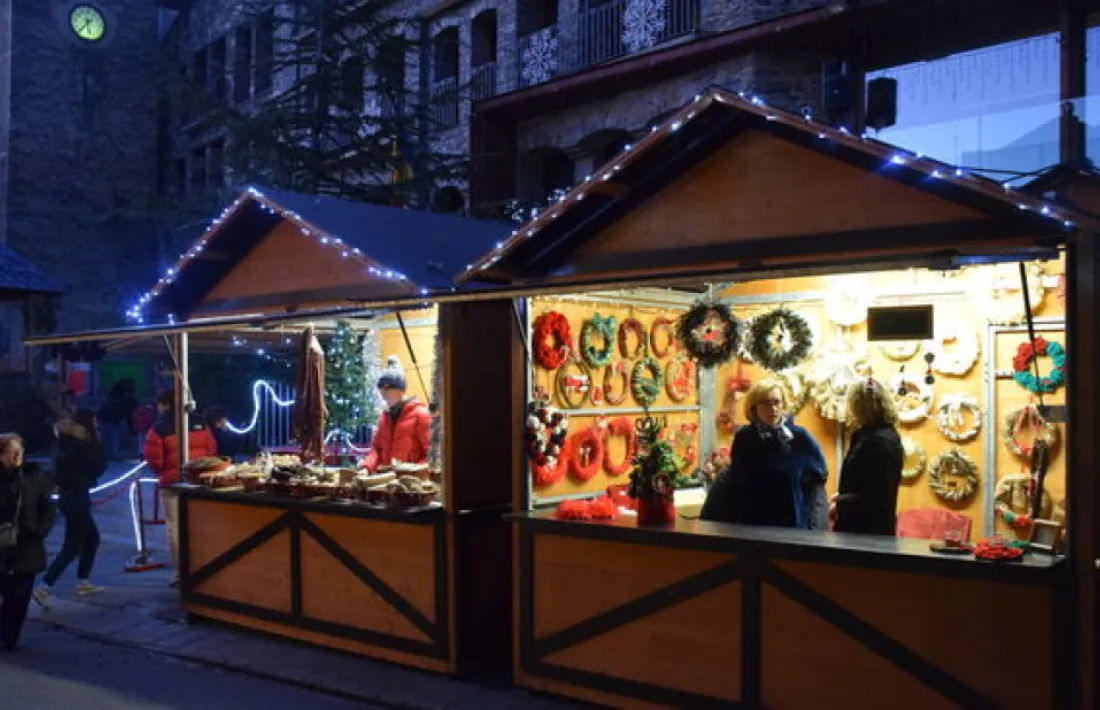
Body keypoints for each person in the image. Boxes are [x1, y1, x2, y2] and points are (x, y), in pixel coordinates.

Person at [700, 380, 828, 529]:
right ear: (754, 408)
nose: (772, 408)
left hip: (790, 524)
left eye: (777, 402)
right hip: (751, 523)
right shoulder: (745, 437)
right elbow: (738, 478)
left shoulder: (800, 437)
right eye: (766, 403)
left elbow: (819, 477)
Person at [143, 390, 218, 587]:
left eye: (159, 405)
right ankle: (201, 568)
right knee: (199, 528)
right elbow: (211, 451)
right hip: (199, 481)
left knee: (175, 530)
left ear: (165, 405)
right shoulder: (201, 423)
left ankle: (180, 573)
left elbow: (155, 462)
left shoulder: (158, 428)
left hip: (173, 482)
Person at [34, 410, 108, 607]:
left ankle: (83, 581)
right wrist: (96, 444)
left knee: (92, 538)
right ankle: (44, 586)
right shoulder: (82, 445)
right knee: (72, 546)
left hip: (70, 496)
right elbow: (98, 467)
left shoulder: (64, 442)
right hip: (77, 496)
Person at [0, 433, 55, 651]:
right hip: (2, 546)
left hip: (27, 543)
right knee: (8, 592)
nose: (16, 456)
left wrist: (41, 530)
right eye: (10, 452)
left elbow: (48, 505)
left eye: (19, 451)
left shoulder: (33, 475)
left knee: (21, 596)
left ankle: (11, 636)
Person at [829, 378, 904, 535]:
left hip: (868, 532)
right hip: (863, 528)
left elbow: (879, 498)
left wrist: (841, 502)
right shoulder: (872, 436)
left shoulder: (879, 442)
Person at [359, 356, 431, 473]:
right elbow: (376, 449)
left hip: (411, 484)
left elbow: (432, 454)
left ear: (401, 389)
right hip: (386, 480)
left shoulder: (421, 415)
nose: (383, 392)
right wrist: (367, 467)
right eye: (380, 387)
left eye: (387, 387)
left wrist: (414, 470)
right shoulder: (384, 417)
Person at [98, 379, 139, 461]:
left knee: (109, 441)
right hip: (111, 420)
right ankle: (111, 459)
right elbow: (129, 417)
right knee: (111, 442)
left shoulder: (116, 395)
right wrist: (133, 431)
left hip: (107, 419)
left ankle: (110, 458)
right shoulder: (128, 401)